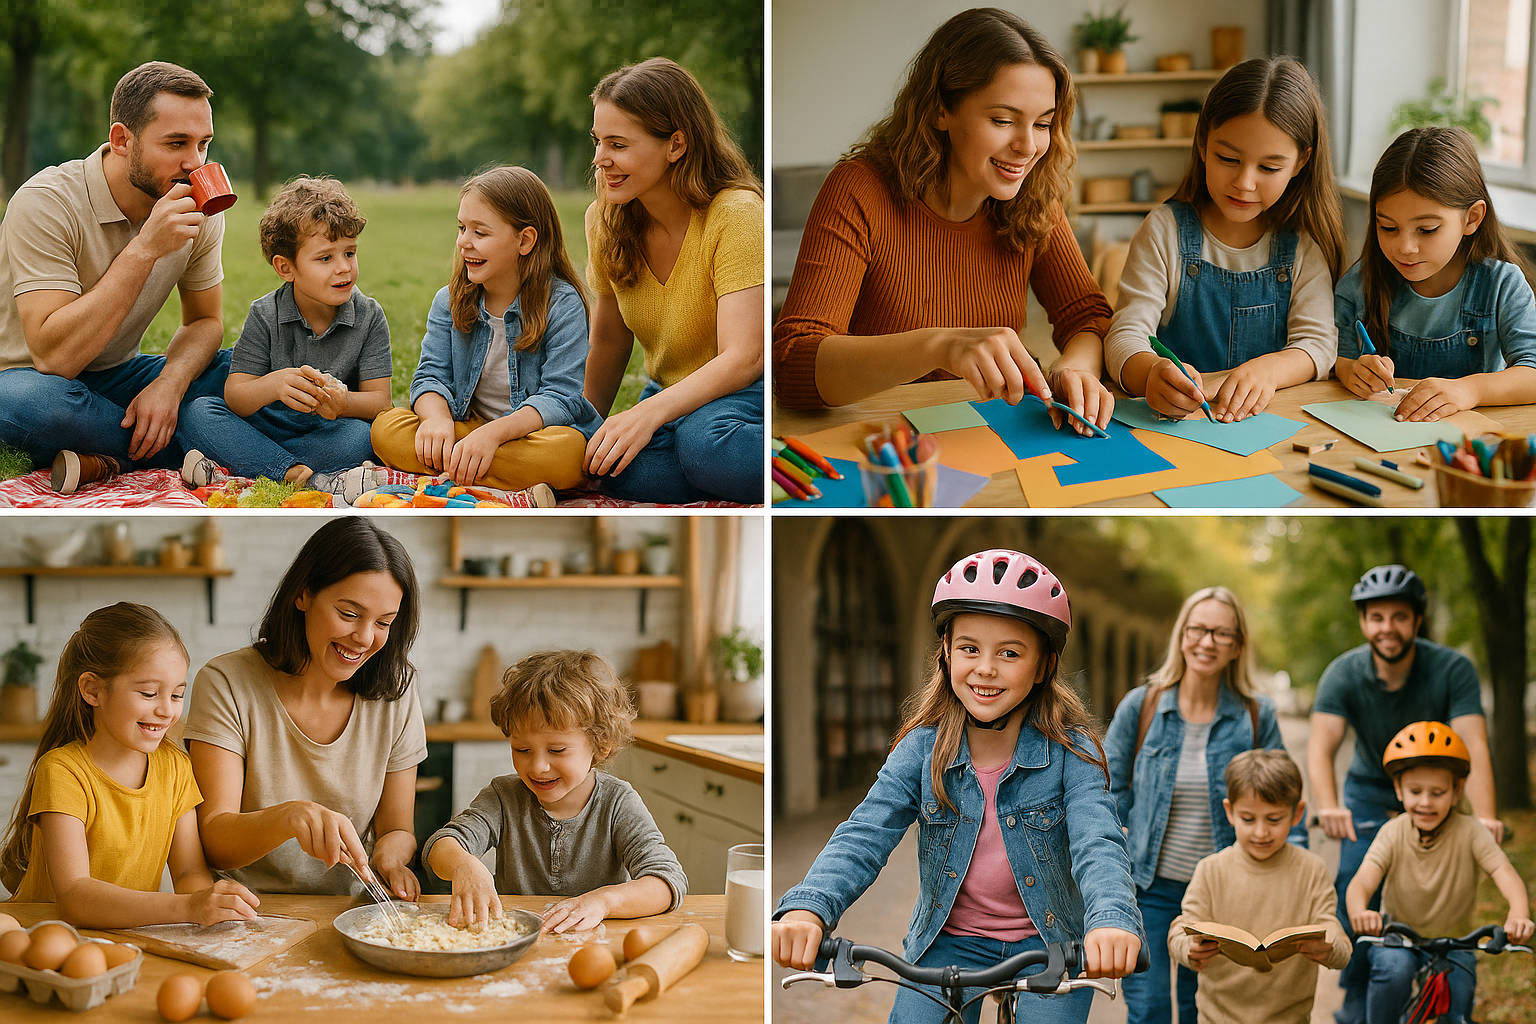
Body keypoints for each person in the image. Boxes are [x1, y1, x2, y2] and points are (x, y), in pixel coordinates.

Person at [773, 549, 1143, 1024]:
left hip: (1050, 942)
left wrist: (1111, 919)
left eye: (1009, 653)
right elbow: (865, 833)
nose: (985, 668)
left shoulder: (1072, 753)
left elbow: (1100, 844)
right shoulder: (922, 750)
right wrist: (809, 908)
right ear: (945, 653)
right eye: (970, 648)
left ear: (1045, 666)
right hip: (948, 938)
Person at [773, 8, 1115, 435]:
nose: (1028, 146)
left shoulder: (1037, 194)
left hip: (988, 434)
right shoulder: (861, 188)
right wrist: (940, 345)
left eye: (1043, 124)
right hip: (881, 443)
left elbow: (1087, 316)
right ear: (940, 110)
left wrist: (1075, 368)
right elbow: (792, 362)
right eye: (1003, 120)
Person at [0, 61, 232, 494]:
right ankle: (204, 440)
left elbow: (205, 321)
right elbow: (56, 360)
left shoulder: (195, 205)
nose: (194, 163)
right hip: (30, 377)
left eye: (204, 144)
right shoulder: (45, 202)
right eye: (176, 143)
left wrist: (169, 384)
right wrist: (145, 248)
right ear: (122, 140)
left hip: (119, 376)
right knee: (28, 406)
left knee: (244, 368)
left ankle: (110, 452)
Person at [184, 517, 426, 896]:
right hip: (245, 913)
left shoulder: (396, 693)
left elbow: (397, 828)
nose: (364, 638)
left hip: (351, 913)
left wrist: (391, 860)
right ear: (303, 594)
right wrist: (289, 817)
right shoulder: (226, 682)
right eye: (349, 614)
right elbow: (214, 837)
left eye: (383, 622)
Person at [1104, 56, 1346, 422]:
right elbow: (1125, 335)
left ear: (1300, 163)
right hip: (1175, 428)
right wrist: (1150, 375)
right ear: (1203, 143)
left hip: (1266, 426)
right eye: (1228, 158)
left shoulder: (1302, 246)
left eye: (1269, 167)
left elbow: (1318, 346)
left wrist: (1267, 371)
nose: (1244, 183)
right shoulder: (1164, 230)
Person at [1103, 585, 1304, 1024]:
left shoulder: (1256, 715)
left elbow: (1284, 796)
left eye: (1221, 633)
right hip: (1148, 890)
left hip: (1222, 895)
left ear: (1237, 646)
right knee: (1150, 1009)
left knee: (1205, 1011)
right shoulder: (1143, 707)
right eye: (1197, 629)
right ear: (1182, 635)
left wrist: (1298, 873)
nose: (1207, 641)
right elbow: (1106, 794)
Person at [1306, 564, 1498, 1024]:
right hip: (1370, 788)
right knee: (1356, 890)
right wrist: (1330, 806)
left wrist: (1488, 817)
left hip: (1436, 788)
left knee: (1444, 886)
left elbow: (1474, 743)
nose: (1386, 628)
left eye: (1398, 617)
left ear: (1416, 620)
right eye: (1376, 617)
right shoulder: (1343, 672)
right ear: (1363, 621)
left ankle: (1442, 981)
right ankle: (1355, 999)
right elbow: (1321, 744)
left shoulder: (1452, 669)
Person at [0, 604, 259, 927]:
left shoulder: (176, 767)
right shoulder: (63, 771)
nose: (167, 710)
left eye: (177, 695)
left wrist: (210, 905)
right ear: (93, 690)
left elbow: (189, 871)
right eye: (149, 693)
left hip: (125, 938)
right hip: (43, 940)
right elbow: (74, 896)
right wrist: (187, 908)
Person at [583, 57, 764, 503]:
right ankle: (707, 464)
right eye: (597, 141)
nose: (600, 159)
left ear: (676, 145)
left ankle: (771, 455)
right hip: (671, 398)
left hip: (749, 393)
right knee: (612, 466)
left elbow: (744, 358)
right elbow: (607, 343)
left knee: (706, 445)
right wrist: (583, 431)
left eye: (618, 145)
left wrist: (648, 415)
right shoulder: (604, 220)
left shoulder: (735, 215)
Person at [371, 166, 597, 506]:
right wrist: (437, 420)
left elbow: (561, 397)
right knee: (385, 429)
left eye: (480, 232)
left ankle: (458, 464)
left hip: (531, 437)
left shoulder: (562, 305)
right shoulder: (448, 301)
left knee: (567, 455)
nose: (464, 242)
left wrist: (492, 436)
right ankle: (495, 475)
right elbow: (430, 376)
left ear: (525, 240)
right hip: (467, 426)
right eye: (462, 228)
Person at [422, 650, 686, 934]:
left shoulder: (617, 803)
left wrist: (604, 902)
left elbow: (667, 881)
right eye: (522, 749)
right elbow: (440, 846)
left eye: (557, 750)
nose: (538, 767)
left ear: (602, 744)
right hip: (517, 942)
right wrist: (463, 864)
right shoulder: (503, 796)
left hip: (594, 945)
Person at [179, 176, 392, 496]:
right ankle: (302, 476)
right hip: (260, 428)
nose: (344, 268)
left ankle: (250, 469)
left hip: (324, 433)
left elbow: (381, 402)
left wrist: (342, 402)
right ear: (285, 267)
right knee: (198, 412)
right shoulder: (264, 314)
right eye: (325, 258)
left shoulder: (369, 316)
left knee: (363, 437)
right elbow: (236, 395)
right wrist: (275, 384)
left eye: (349, 253)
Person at [1334, 126, 1536, 420]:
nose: (1405, 247)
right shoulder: (1359, 283)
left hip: (1466, 446)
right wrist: (1351, 370)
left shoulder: (1502, 284)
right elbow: (1337, 359)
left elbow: (1532, 372)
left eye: (1427, 229)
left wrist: (1469, 391)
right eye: (1388, 227)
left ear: (1472, 218)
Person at [1344, 722, 1532, 1024]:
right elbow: (1362, 882)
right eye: (1415, 791)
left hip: (1455, 941)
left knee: (1459, 994)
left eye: (1438, 792)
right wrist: (1359, 911)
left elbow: (1504, 872)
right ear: (1398, 790)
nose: (1425, 802)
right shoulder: (1392, 832)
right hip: (1399, 938)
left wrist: (1519, 913)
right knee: (1393, 972)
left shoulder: (1472, 832)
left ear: (1457, 792)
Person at [1168, 749, 1351, 1024]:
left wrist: (1331, 949)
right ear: (1229, 811)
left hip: (1290, 1018)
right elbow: (1180, 931)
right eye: (1248, 819)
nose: (1261, 832)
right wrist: (1188, 949)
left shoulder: (1312, 870)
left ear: (1297, 812)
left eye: (1274, 819)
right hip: (1217, 1018)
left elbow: (1334, 932)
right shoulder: (1210, 870)